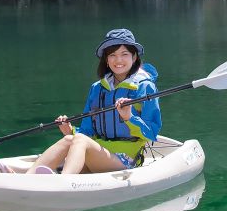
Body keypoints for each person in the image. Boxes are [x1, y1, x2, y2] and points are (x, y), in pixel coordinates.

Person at [20, 28, 162, 176]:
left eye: (124, 54)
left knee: (80, 140)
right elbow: (87, 131)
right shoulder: (97, 89)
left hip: (126, 159)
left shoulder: (146, 87)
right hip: (99, 154)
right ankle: (28, 177)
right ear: (106, 60)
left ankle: (63, 182)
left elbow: (151, 134)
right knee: (70, 139)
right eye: (112, 55)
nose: (118, 60)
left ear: (134, 58)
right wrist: (70, 130)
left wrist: (129, 118)